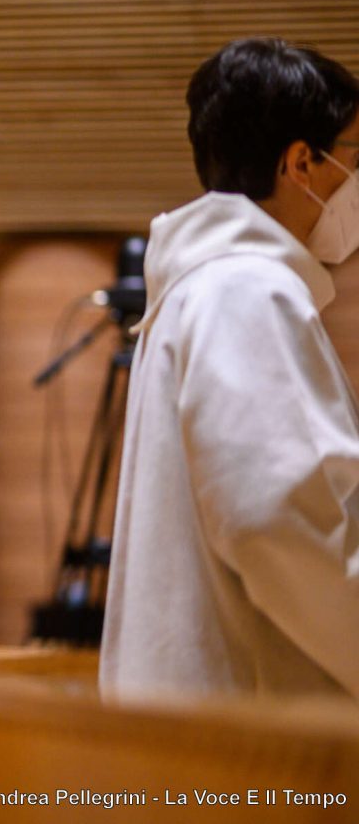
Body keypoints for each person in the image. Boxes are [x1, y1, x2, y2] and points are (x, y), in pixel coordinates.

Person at [100, 38, 359, 700]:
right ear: (301, 162)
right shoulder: (245, 289)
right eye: (353, 157)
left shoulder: (203, 289)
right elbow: (277, 518)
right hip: (256, 741)